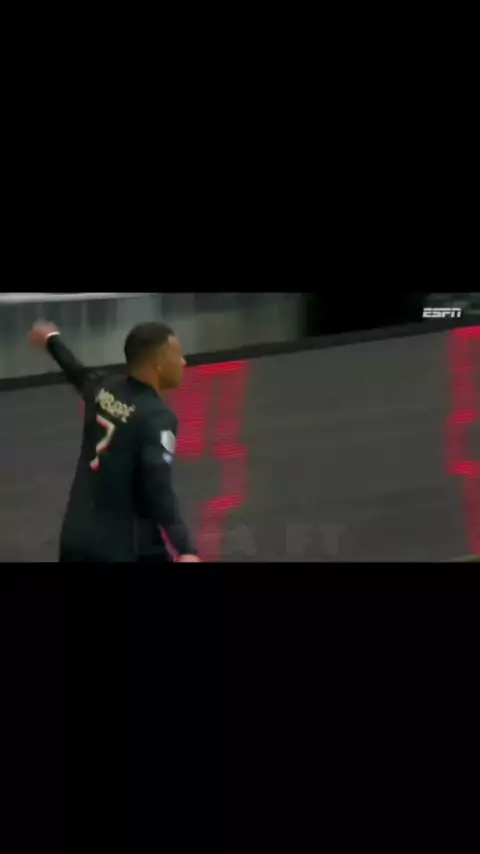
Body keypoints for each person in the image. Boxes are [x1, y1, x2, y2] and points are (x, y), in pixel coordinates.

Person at [28, 320, 201, 563]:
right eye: (178, 355)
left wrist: (52, 341)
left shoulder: (104, 388)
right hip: (124, 548)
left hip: (76, 538)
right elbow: (158, 488)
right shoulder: (158, 418)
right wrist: (185, 548)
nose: (183, 362)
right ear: (159, 364)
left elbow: (77, 372)